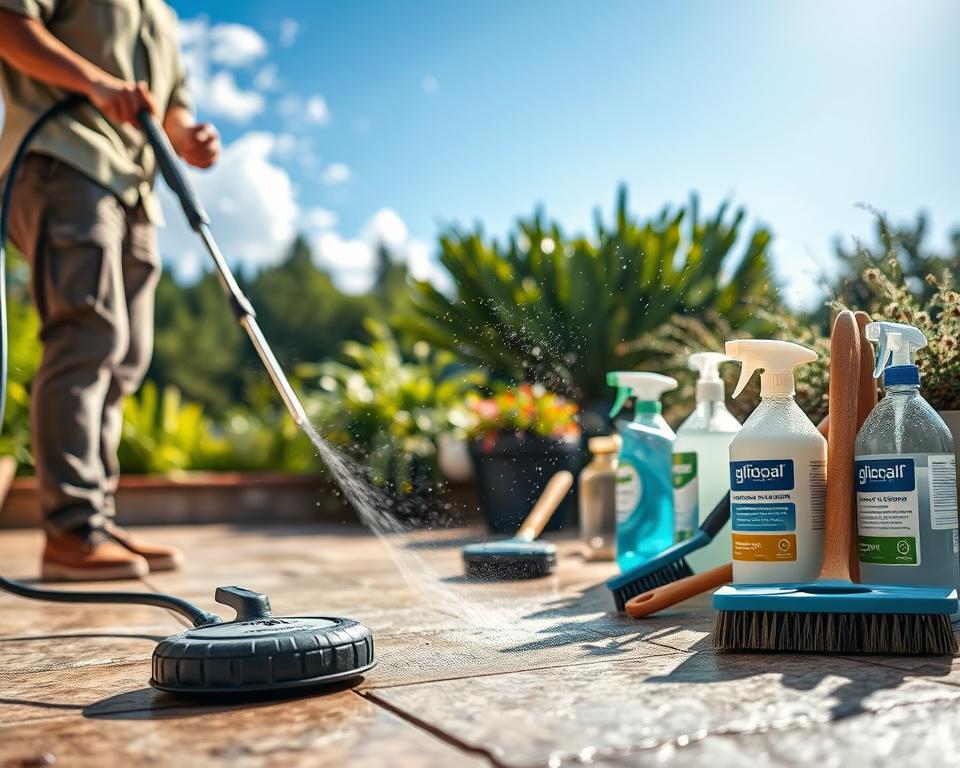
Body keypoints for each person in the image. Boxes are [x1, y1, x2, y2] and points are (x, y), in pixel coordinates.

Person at [0, 0, 219, 580]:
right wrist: (96, 83)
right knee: (87, 338)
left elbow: (170, 109)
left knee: (125, 358)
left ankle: (96, 520)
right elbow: (8, 25)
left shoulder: (165, 16)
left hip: (137, 191)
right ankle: (71, 531)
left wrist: (188, 138)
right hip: (68, 160)